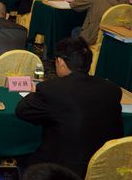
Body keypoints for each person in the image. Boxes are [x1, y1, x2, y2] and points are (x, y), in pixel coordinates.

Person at [16, 37, 123, 177]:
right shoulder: (112, 89)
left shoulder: (52, 89)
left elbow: (22, 110)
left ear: (60, 62)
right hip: (105, 167)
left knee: (21, 161)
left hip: (62, 171)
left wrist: (33, 92)